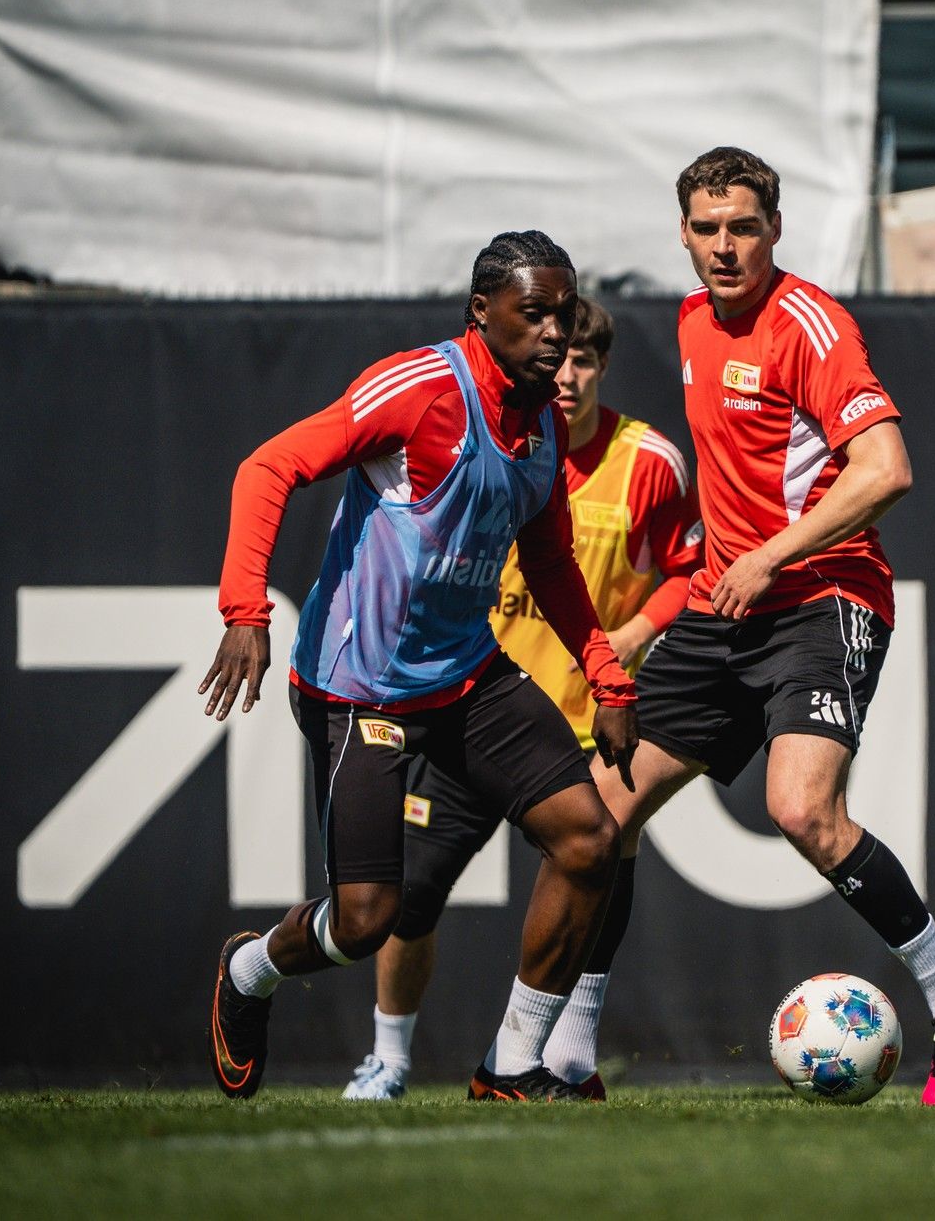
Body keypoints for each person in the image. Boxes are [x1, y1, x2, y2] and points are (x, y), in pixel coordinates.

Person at [483, 145, 935, 1107]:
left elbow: (886, 468)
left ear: (775, 230)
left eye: (744, 228)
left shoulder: (810, 323)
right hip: (726, 608)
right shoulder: (689, 318)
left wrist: (771, 553)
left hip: (823, 597)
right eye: (707, 229)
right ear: (683, 234)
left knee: (801, 809)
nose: (725, 247)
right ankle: (568, 1056)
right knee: (598, 818)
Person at [199, 231, 638, 1105]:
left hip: (468, 676)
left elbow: (548, 558)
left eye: (564, 312)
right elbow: (269, 466)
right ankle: (249, 969)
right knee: (367, 922)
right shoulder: (421, 388)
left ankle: (511, 1066)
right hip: (360, 688)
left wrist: (607, 673)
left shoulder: (545, 418)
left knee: (591, 839)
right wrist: (246, 609)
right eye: (535, 312)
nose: (555, 331)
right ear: (483, 312)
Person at [342, 295, 704, 1102]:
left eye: (585, 359)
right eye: (559, 356)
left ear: (603, 367)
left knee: (596, 865)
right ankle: (390, 1056)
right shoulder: (498, 442)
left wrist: (638, 631)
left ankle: (563, 1053)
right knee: (413, 891)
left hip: (585, 722)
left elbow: (690, 566)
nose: (568, 374)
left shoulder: (649, 461)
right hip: (482, 707)